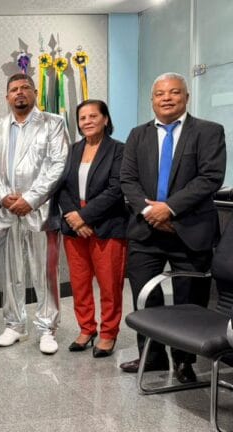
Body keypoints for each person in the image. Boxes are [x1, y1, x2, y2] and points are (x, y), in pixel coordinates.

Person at [119, 72, 226, 382]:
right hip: (145, 232)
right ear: (152, 100)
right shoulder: (137, 135)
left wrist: (169, 209)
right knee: (145, 297)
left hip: (190, 231)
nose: (166, 98)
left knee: (188, 300)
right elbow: (128, 179)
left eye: (174, 92)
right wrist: (150, 211)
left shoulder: (208, 131)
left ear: (186, 97)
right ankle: (151, 357)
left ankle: (184, 361)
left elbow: (210, 178)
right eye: (160, 94)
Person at [0, 73, 69, 354]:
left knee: (45, 272)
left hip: (40, 211)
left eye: (25, 88)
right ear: (7, 96)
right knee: (11, 272)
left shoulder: (53, 123)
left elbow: (58, 165)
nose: (19, 92)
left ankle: (47, 328)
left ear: (35, 93)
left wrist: (30, 199)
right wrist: (3, 197)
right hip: (5, 211)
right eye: (14, 89)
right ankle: (14, 325)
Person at [57, 100, 128, 357]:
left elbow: (116, 188)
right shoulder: (71, 150)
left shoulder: (119, 150)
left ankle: (108, 333)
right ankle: (86, 328)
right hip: (74, 225)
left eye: (93, 116)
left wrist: (85, 217)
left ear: (105, 119)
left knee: (110, 285)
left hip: (107, 224)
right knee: (79, 283)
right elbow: (61, 186)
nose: (87, 121)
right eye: (82, 117)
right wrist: (74, 218)